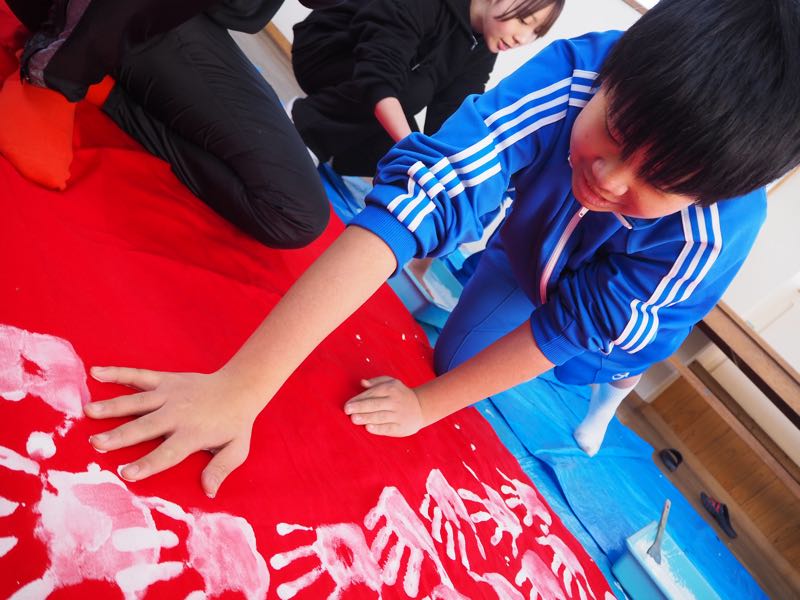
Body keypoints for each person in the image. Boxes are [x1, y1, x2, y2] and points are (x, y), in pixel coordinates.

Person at [84, 0, 800, 498]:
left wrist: (425, 409)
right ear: (611, 77)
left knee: (592, 361)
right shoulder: (578, 73)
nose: (611, 178)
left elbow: (571, 327)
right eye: (613, 134)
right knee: (458, 355)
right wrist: (245, 384)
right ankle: (514, 281)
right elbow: (429, 190)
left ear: (710, 194)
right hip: (530, 249)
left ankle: (609, 396)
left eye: (658, 181)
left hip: (615, 319)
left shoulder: (709, 234)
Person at [9, 0, 339, 248]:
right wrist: (56, 77)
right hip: (95, 17)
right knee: (293, 211)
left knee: (294, 214)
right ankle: (66, 73)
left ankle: (109, 94)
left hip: (168, 22)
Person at [290, 0, 563, 175]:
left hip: (375, 81)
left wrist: (457, 167)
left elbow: (453, 113)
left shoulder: (485, 43)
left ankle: (337, 150)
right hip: (327, 51)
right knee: (413, 96)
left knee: (411, 158)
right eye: (524, 21)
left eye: (535, 33)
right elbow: (379, 72)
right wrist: (412, 147)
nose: (523, 39)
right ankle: (305, 126)